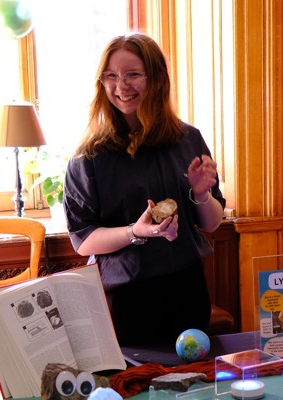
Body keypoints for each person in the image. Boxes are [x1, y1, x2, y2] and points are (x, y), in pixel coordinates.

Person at [63, 33, 225, 346]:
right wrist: (135, 232)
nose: (121, 86)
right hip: (124, 297)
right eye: (111, 76)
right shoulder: (90, 156)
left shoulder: (188, 139)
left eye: (132, 75)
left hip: (187, 288)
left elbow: (211, 222)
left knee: (191, 388)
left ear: (158, 79)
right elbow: (83, 241)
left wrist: (202, 194)